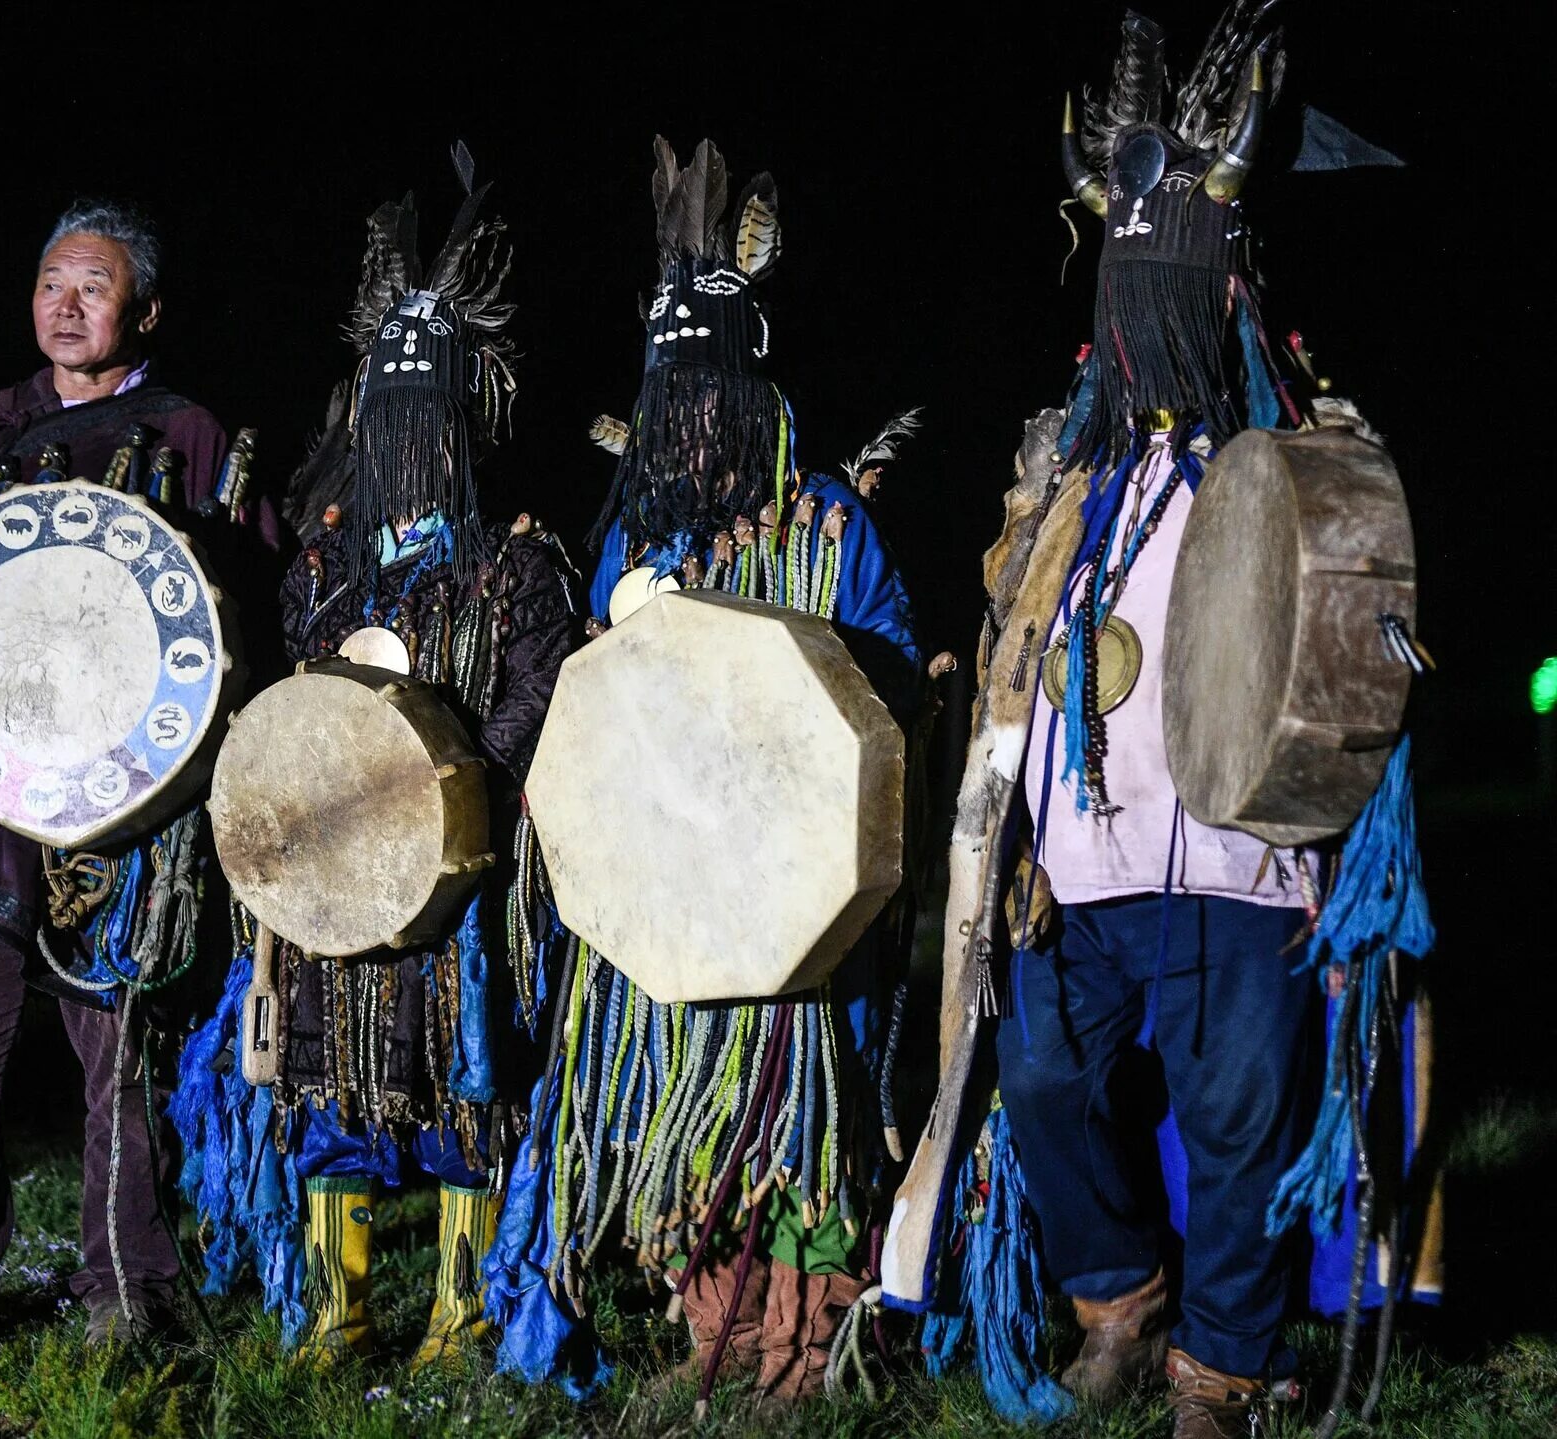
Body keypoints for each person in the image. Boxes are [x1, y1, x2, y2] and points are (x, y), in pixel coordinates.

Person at [880, 11, 1437, 1437]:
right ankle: (1119, 1293)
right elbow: (1016, 650)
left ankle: (1226, 1363)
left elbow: (1361, 647)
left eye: (1162, 302)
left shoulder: (1291, 455)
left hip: (1244, 867)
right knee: (1050, 1077)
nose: (1140, 336)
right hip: (1079, 868)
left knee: (1242, 1116)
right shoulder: (1067, 479)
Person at [485, 137, 922, 1406]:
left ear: (755, 394)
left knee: (789, 1104)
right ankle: (712, 1324)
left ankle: (806, 1338)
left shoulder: (829, 522)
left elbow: (882, 680)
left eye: (705, 394)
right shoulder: (630, 532)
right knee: (679, 1098)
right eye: (664, 396)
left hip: (795, 890)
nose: (684, 422)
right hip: (669, 878)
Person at [171, 147, 580, 1373]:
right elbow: (299, 699)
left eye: (430, 401)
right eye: (387, 399)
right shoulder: (327, 563)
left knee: (458, 1082)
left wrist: (451, 790)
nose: (407, 423)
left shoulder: (515, 558)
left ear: (469, 408)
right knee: (330, 1072)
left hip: (463, 871)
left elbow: (538, 685)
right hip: (338, 871)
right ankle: (338, 1309)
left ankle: (459, 1308)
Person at [0, 200, 280, 1348]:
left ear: (144, 306)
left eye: (93, 287)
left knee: (119, 1059)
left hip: (127, 812)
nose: (66, 305)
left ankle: (125, 1291)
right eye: (51, 283)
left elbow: (247, 600)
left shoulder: (190, 434)